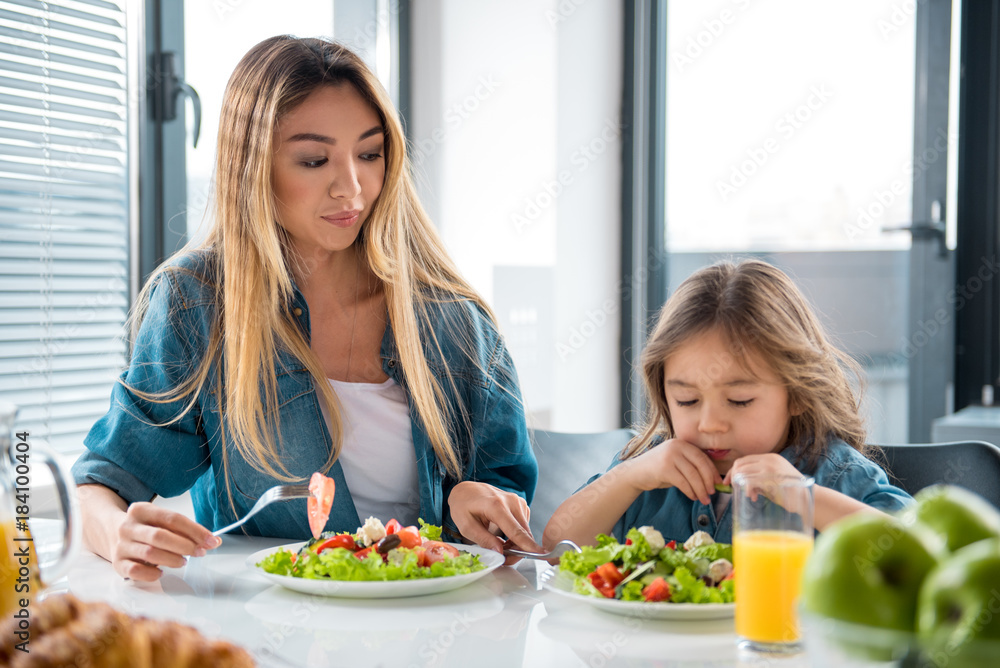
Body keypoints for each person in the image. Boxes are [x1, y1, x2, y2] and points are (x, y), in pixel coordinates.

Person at [72, 35, 539, 582]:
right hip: (265, 638)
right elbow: (104, 485)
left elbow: (508, 506)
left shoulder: (454, 320)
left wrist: (476, 499)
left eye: (369, 154)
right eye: (315, 160)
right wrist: (121, 533)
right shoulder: (197, 302)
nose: (352, 187)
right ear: (254, 169)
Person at [543, 259, 911, 549]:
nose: (710, 423)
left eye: (739, 400)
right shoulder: (649, 470)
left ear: (797, 393)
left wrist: (804, 496)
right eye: (687, 400)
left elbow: (915, 552)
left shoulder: (834, 472)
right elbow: (557, 545)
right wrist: (629, 478)